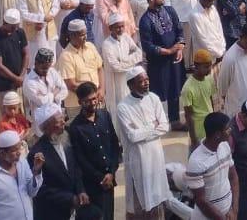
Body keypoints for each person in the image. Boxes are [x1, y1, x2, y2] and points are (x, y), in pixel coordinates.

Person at [118, 66, 171, 220]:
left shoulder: (153, 98)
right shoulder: (123, 107)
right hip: (138, 161)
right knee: (139, 203)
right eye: (141, 81)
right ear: (131, 85)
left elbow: (165, 126)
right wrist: (152, 126)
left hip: (156, 158)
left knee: (157, 198)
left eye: (146, 79)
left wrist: (143, 131)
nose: (146, 83)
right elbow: (132, 136)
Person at [68, 80, 120, 220]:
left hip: (109, 179)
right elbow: (80, 160)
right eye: (87, 101)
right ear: (80, 102)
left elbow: (114, 145)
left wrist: (111, 172)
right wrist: (100, 177)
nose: (92, 103)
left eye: (94, 99)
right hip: (93, 184)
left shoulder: (105, 116)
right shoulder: (75, 128)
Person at [31, 103, 86, 219]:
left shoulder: (66, 139)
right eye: (59, 121)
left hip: (71, 209)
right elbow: (40, 188)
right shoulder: (37, 153)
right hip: (51, 212)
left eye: (63, 119)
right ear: (47, 126)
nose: (63, 123)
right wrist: (69, 198)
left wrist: (81, 190)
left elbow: (75, 168)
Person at [187, 111, 239, 220]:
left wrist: (234, 210)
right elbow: (200, 201)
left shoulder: (225, 146)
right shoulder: (196, 161)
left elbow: (233, 178)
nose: (230, 130)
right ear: (217, 135)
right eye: (227, 128)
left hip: (229, 214)